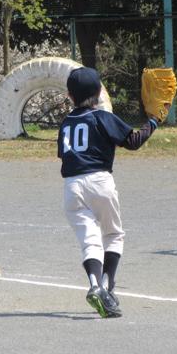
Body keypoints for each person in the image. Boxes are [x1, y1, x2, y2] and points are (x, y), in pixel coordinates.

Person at [57, 66, 163, 318]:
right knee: (113, 234)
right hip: (100, 182)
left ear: (70, 96)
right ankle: (106, 286)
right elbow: (133, 141)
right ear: (99, 93)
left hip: (71, 186)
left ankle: (94, 285)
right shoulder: (102, 117)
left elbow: (65, 154)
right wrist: (154, 121)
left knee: (90, 241)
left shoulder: (66, 123)